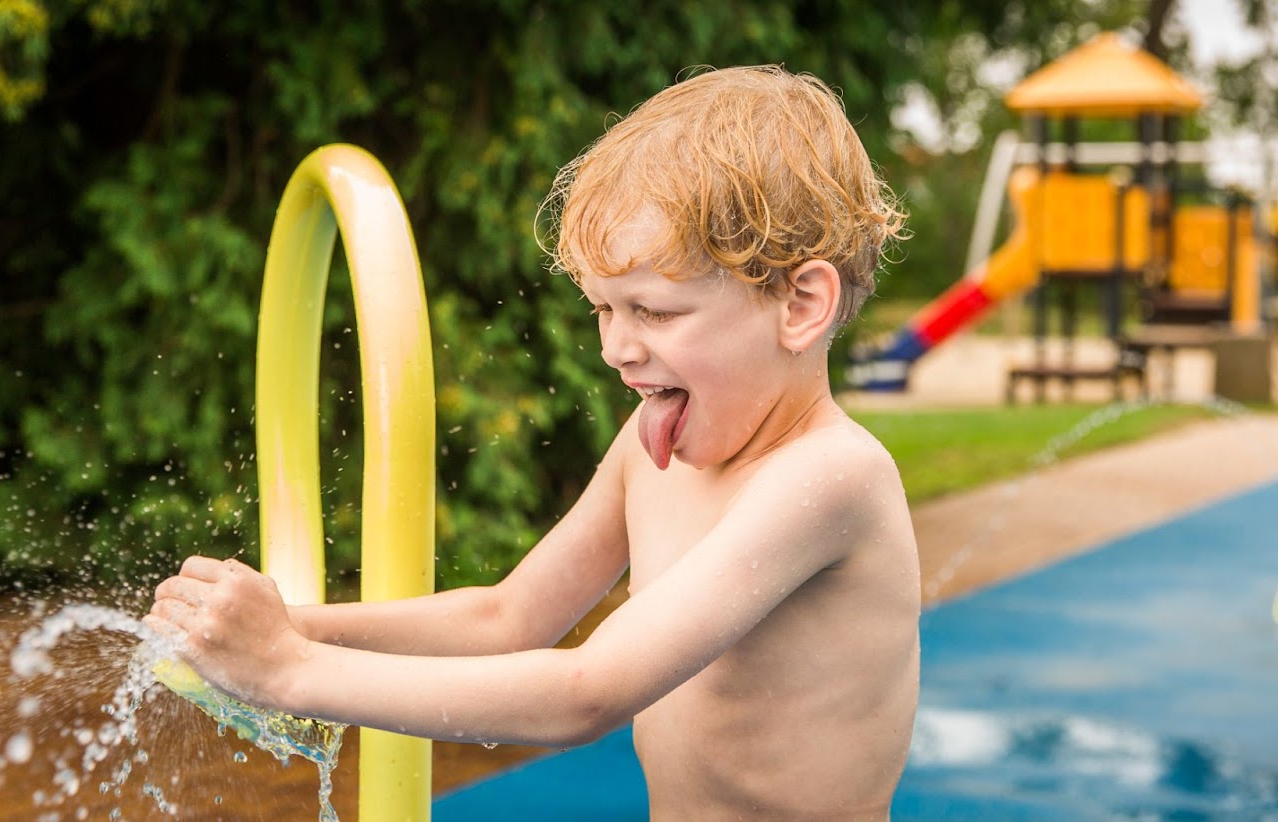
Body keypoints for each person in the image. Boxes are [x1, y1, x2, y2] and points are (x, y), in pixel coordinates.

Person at [148, 65, 918, 820]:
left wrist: (290, 671)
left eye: (653, 311)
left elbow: (587, 693)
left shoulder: (829, 478)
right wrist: (295, 626)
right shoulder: (648, 452)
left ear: (800, 304)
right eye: (601, 310)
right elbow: (507, 617)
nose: (617, 347)